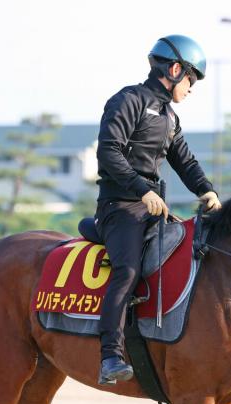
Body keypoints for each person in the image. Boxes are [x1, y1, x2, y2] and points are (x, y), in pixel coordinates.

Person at [94, 34, 221, 385]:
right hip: (119, 206)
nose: (192, 88)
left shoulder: (170, 117)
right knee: (128, 271)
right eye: (192, 80)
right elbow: (108, 153)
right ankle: (110, 355)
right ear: (176, 69)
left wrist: (206, 190)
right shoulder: (128, 100)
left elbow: (185, 161)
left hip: (153, 207)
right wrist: (140, 189)